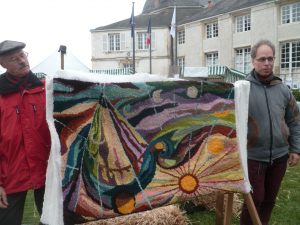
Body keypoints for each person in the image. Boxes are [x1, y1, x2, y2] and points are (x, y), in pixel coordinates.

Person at [240, 39, 300, 225]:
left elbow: (294, 121)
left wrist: (296, 149)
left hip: (280, 157)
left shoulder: (283, 90)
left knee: (269, 201)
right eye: (262, 59)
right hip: (254, 157)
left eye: (270, 59)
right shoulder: (243, 89)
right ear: (253, 61)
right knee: (255, 199)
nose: (267, 63)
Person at [0, 40, 51, 225]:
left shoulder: (47, 88)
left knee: (55, 221)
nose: (22, 61)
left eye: (23, 55)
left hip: (47, 171)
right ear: (3, 64)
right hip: (10, 176)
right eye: (14, 59)